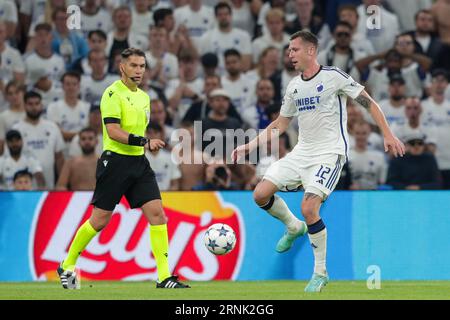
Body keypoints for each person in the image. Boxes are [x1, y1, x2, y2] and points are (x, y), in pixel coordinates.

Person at [231, 30, 405, 292]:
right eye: (288, 50)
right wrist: (249, 145)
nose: (289, 54)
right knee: (259, 194)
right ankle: (293, 227)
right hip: (302, 152)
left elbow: (368, 103)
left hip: (329, 153)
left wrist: (388, 133)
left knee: (309, 207)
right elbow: (280, 124)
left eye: (294, 49)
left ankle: (320, 272)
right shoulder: (294, 86)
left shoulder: (334, 77)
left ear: (311, 51)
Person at [57, 48, 189, 289]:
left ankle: (164, 277)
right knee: (99, 220)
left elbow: (138, 129)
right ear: (122, 68)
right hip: (115, 161)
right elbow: (113, 131)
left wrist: (145, 145)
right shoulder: (111, 94)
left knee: (158, 215)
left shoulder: (144, 97)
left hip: (139, 162)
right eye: (134, 66)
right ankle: (67, 263)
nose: (138, 70)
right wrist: (144, 142)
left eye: (142, 66)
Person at [13, 91, 65, 189]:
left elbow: (59, 158)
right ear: (24, 105)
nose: (34, 107)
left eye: (37, 103)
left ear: (41, 105)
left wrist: (61, 183)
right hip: (24, 188)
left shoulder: (52, 127)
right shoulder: (16, 129)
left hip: (49, 186)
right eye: (30, 104)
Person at [145, 122, 181, 191]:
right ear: (145, 135)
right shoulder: (141, 158)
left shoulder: (170, 158)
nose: (152, 136)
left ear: (161, 135)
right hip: (146, 198)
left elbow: (175, 184)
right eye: (149, 133)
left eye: (155, 132)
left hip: (167, 197)